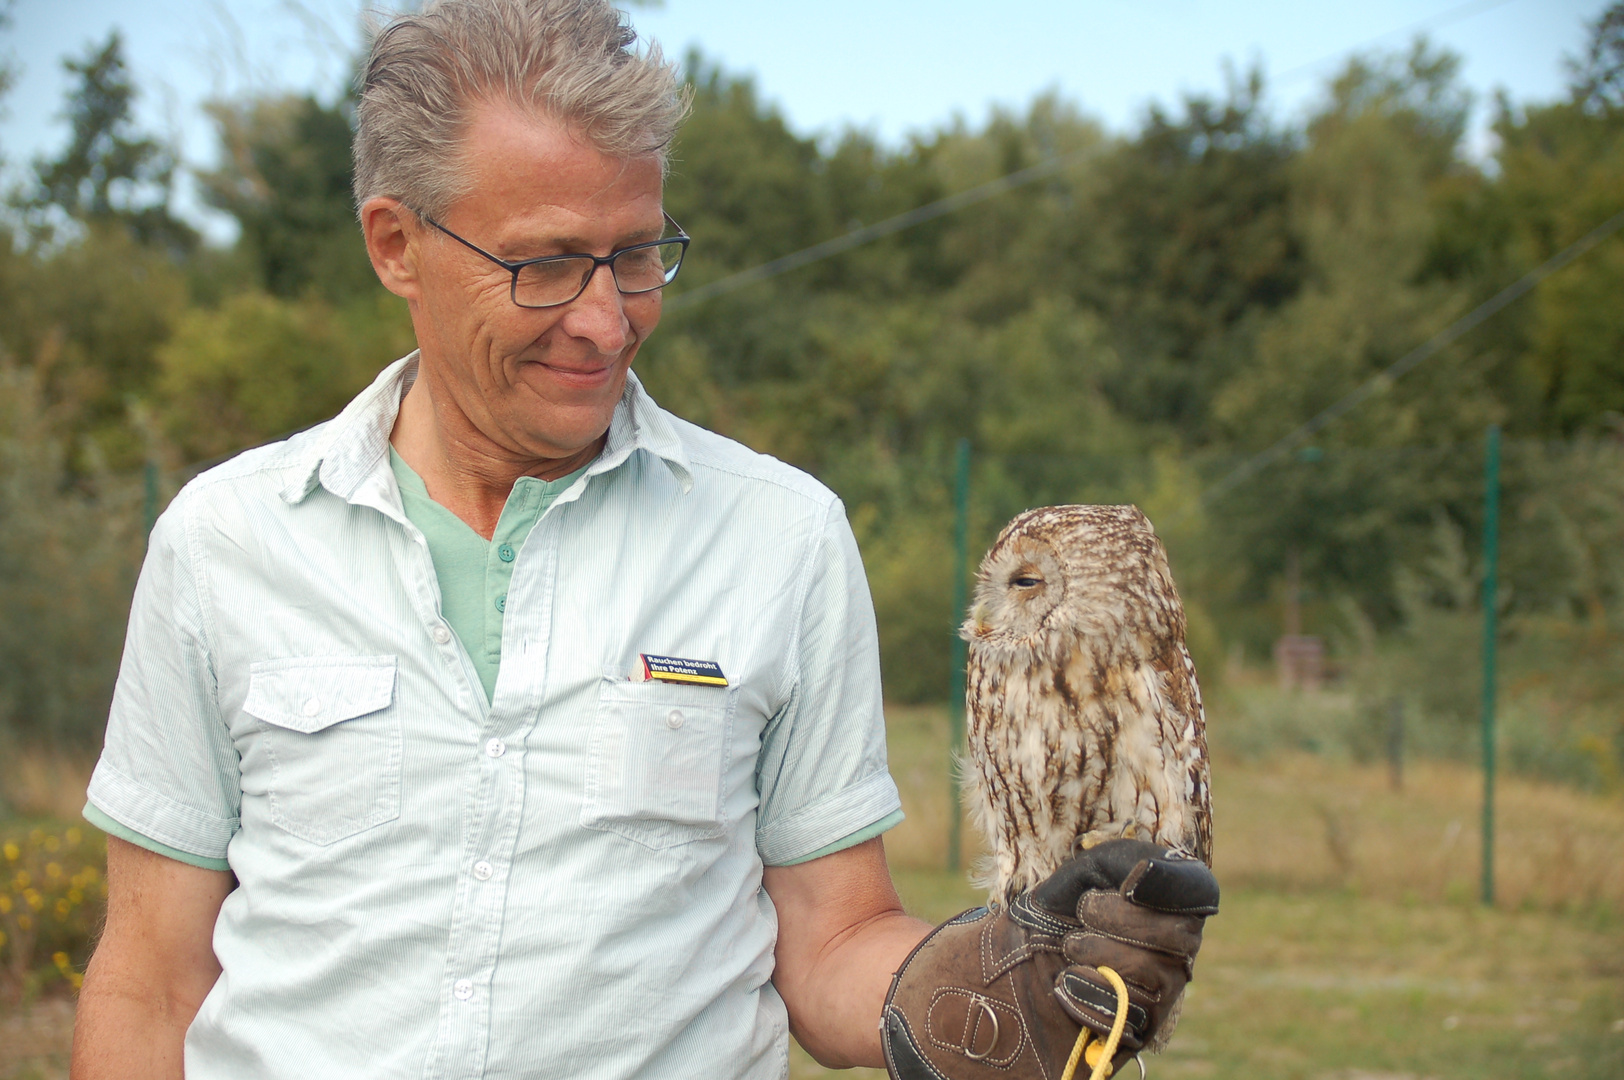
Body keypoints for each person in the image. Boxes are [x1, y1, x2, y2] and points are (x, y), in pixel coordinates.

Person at [71, 3, 1213, 1078]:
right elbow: (150, 981)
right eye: (547, 262)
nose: (606, 318)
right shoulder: (226, 540)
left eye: (635, 255)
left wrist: (984, 990)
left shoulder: (780, 537)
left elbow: (827, 941)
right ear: (395, 245)